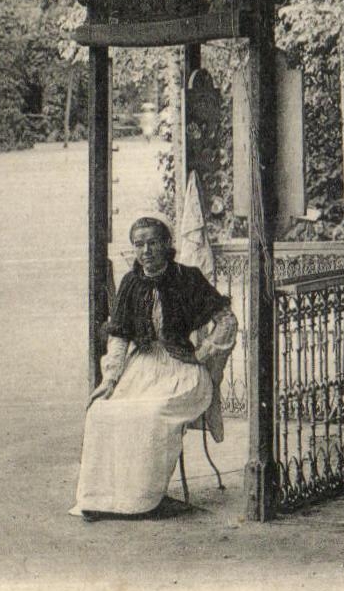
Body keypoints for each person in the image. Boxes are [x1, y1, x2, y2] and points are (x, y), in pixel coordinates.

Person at [70, 216, 237, 519]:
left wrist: (203, 352)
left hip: (182, 372)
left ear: (167, 245)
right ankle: (103, 499)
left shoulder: (188, 277)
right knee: (101, 411)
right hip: (142, 369)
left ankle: (145, 499)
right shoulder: (131, 283)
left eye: (153, 242)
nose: (146, 250)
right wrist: (109, 380)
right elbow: (119, 337)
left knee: (152, 413)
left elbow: (227, 321)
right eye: (139, 244)